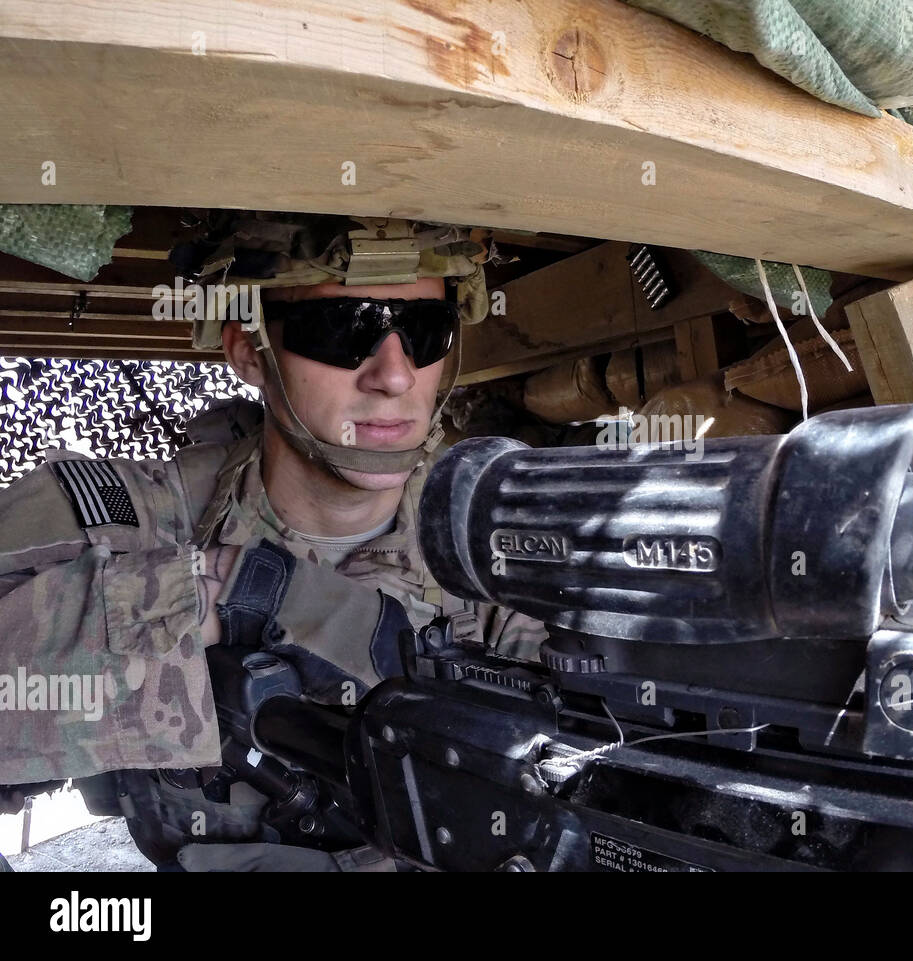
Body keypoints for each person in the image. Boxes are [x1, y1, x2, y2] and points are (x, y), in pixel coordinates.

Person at [0, 212, 545, 869]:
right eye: (347, 329)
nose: (394, 375)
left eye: (426, 332)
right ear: (248, 352)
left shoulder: (498, 553)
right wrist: (227, 597)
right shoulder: (126, 523)